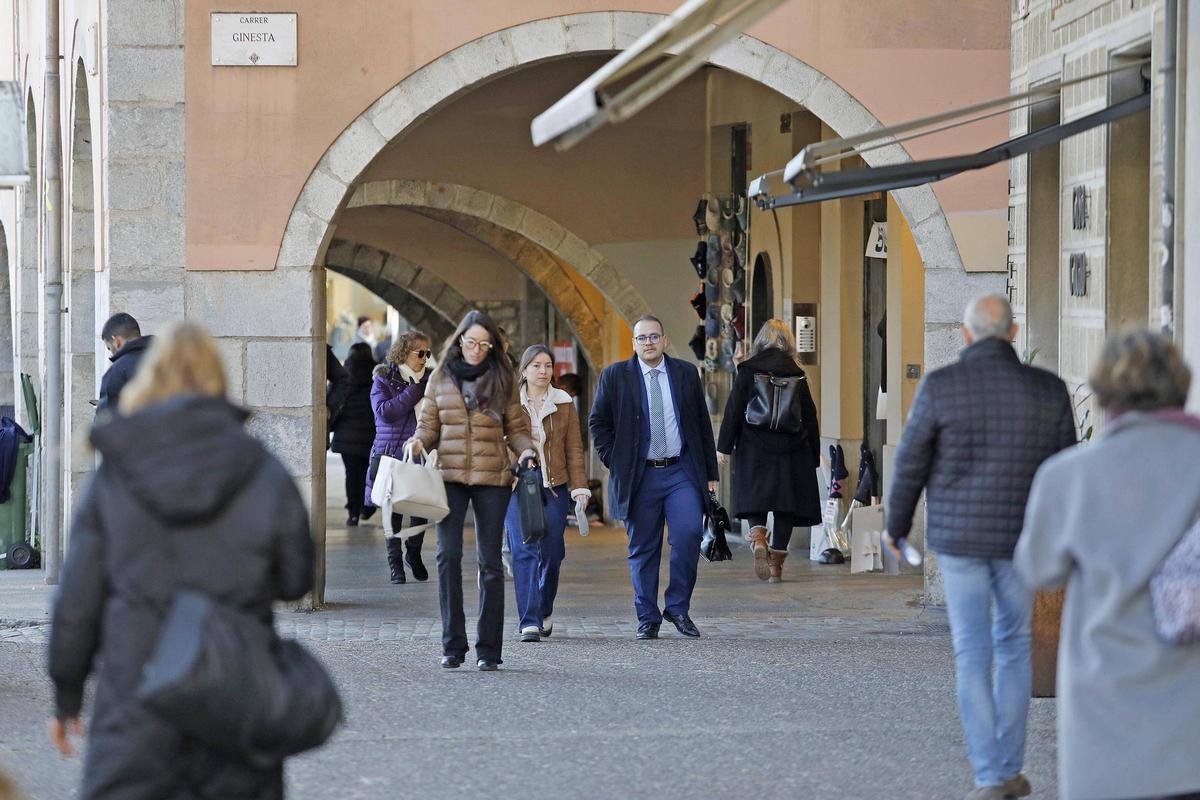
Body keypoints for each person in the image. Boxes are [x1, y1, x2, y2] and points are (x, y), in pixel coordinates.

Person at [47, 323, 314, 800]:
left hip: (136, 690)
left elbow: (77, 601)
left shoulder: (117, 472)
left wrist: (67, 695)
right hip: (234, 686)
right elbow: (296, 579)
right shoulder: (261, 468)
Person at [885, 295, 1075, 800]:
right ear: (1013, 333)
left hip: (960, 540)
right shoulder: (1049, 390)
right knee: (1013, 647)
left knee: (971, 651)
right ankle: (1009, 769)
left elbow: (910, 461)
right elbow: (1066, 474)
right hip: (1021, 539)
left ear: (967, 335)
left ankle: (990, 775)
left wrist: (896, 527)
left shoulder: (941, 386)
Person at [1015, 330, 1200, 800]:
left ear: (1104, 391)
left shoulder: (1069, 476)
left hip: (1106, 705)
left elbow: (1037, 570)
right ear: (1180, 385)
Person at [408, 310, 534, 671]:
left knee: (489, 563)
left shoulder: (503, 378)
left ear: (492, 346)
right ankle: (453, 645)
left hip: (493, 477)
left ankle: (488, 650)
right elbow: (428, 425)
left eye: (484, 344)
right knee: (447, 556)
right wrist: (419, 441)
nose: (476, 349)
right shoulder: (440, 377)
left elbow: (516, 428)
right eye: (471, 342)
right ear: (459, 340)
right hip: (449, 476)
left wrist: (527, 450)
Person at [589, 315, 718, 640]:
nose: (649, 342)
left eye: (654, 336)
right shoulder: (615, 376)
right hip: (639, 475)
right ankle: (647, 617)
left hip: (680, 471)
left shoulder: (685, 373)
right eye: (642, 338)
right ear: (634, 343)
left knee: (689, 534)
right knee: (643, 548)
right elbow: (598, 423)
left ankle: (677, 607)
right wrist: (616, 461)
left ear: (664, 340)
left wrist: (710, 473)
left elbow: (702, 424)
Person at [716, 319, 821, 583]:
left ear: (760, 341)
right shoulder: (797, 373)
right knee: (786, 504)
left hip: (754, 445)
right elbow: (809, 415)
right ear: (788, 342)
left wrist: (723, 447)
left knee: (756, 495)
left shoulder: (748, 370)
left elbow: (733, 409)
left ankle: (759, 537)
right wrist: (814, 451)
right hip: (792, 448)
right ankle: (776, 566)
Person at [505, 345, 590, 642]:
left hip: (554, 485)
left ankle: (544, 606)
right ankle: (529, 621)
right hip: (516, 485)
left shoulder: (563, 402)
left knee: (552, 552)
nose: (543, 371)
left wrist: (580, 488)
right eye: (536, 365)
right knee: (524, 549)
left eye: (548, 366)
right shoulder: (509, 402)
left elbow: (574, 449)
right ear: (524, 370)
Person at [365, 330, 433, 584]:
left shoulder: (431, 380)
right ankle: (394, 562)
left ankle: (413, 553)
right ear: (404, 353)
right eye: (420, 353)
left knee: (420, 507)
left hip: (421, 453)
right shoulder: (383, 379)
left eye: (428, 353)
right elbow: (384, 412)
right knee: (393, 510)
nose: (425, 358)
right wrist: (414, 392)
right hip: (391, 453)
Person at [330, 343, 376, 527]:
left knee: (351, 474)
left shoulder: (343, 376)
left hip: (346, 435)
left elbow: (333, 401)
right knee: (366, 473)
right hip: (369, 435)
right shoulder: (376, 375)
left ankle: (353, 513)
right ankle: (367, 506)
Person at [96, 312, 153, 417]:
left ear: (116, 341)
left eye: (109, 348)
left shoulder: (116, 372)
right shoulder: (166, 360)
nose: (111, 353)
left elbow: (105, 419)